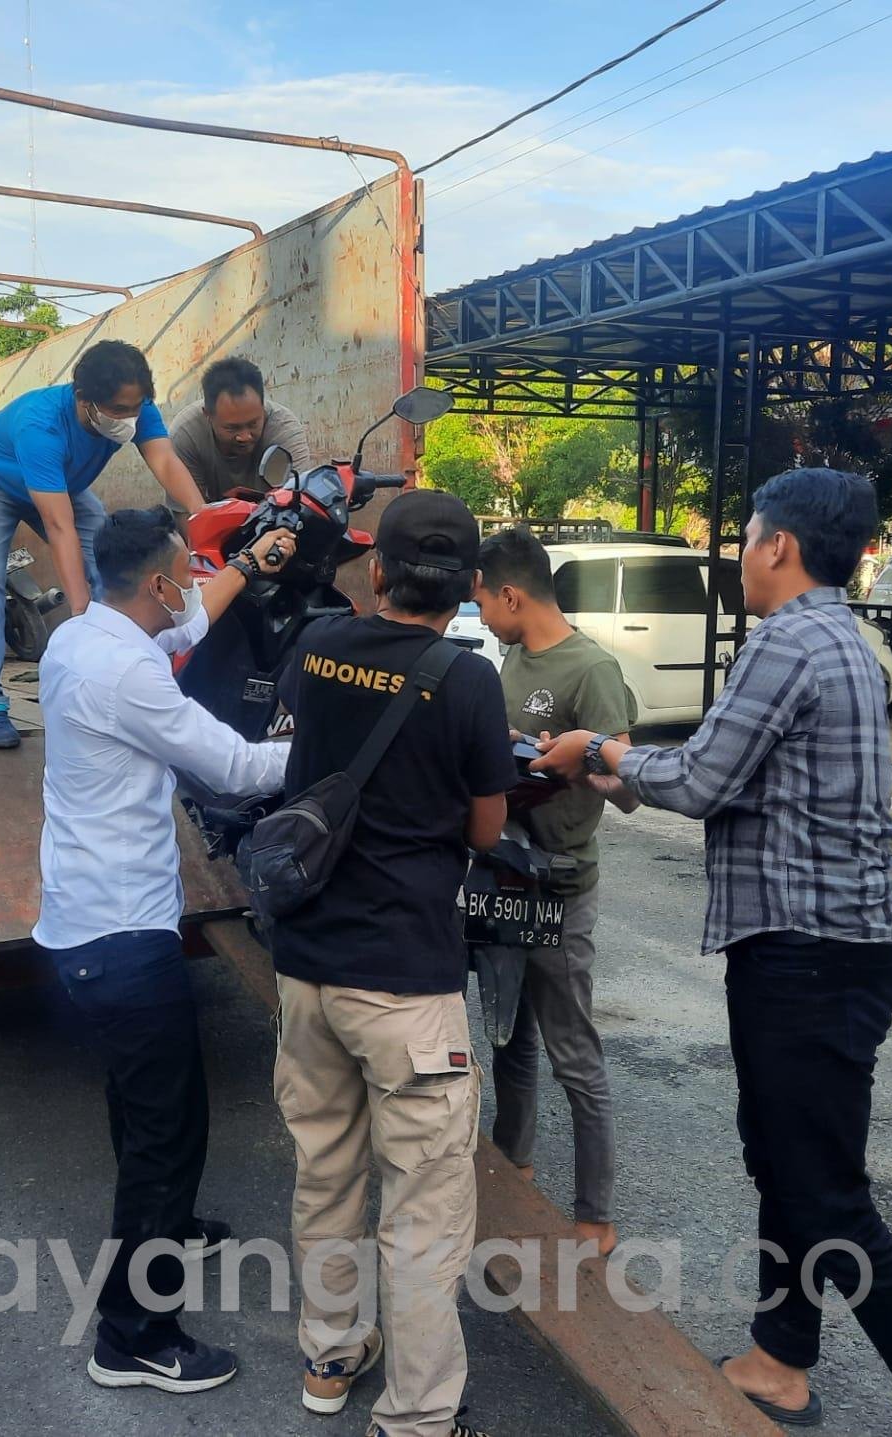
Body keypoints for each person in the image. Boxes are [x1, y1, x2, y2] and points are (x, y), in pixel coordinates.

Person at [535, 470, 892, 1437]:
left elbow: (702, 778)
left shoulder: (786, 642)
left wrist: (600, 750)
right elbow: (740, 777)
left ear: (779, 545)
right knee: (785, 1165)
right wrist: (620, 770)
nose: (738, 555)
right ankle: (780, 1359)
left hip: (811, 957)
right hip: (827, 949)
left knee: (830, 1200)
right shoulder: (842, 636)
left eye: (744, 537)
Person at [33, 507, 295, 1395]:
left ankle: (167, 1229)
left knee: (137, 1100)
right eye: (186, 571)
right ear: (153, 581)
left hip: (85, 918)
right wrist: (336, 744)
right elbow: (235, 767)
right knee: (169, 1132)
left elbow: (182, 627)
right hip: (120, 933)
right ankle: (134, 1333)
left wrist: (248, 564)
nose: (191, 584)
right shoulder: (125, 675)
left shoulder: (81, 635)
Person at [271, 490, 516, 1437]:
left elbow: (299, 734)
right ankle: (417, 1418)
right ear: (468, 587)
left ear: (377, 571)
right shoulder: (468, 679)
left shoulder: (316, 644)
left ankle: (329, 1357)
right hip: (406, 983)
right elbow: (486, 827)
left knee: (325, 1173)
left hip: (307, 967)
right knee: (423, 1208)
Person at [472, 526, 634, 1257]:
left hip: (560, 884)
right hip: (503, 872)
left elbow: (628, 790)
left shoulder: (592, 669)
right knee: (508, 1031)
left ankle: (595, 1216)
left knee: (574, 1051)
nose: (481, 618)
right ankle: (516, 1165)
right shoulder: (511, 657)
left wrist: (578, 761)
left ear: (511, 595)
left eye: (483, 602)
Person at [0, 339, 208, 749]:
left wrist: (205, 518)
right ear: (83, 399)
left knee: (112, 561)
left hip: (59, 484)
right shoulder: (41, 425)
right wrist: (81, 612)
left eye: (136, 407)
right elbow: (59, 526)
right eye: (118, 410)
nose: (129, 418)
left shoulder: (136, 405)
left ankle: (126, 674)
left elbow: (164, 461)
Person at [166, 355, 312, 506]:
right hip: (213, 518)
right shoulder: (186, 435)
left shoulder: (285, 431)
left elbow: (297, 504)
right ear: (208, 415)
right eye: (232, 428)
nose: (245, 436)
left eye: (253, 424)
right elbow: (188, 513)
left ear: (263, 407)